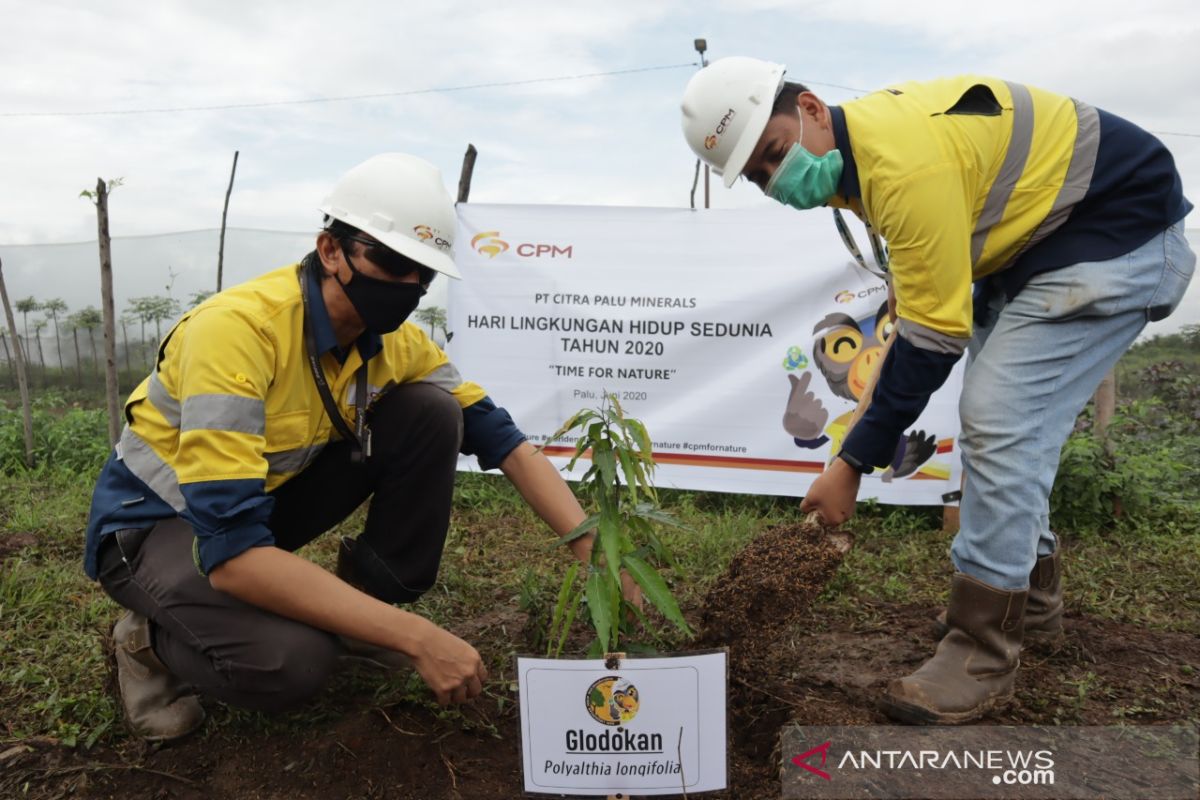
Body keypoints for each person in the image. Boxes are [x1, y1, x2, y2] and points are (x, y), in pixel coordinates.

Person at [681, 58, 1194, 724]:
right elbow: (917, 317)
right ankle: (1029, 609)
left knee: (999, 418)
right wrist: (851, 449)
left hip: (1116, 234)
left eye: (773, 154)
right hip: (1045, 245)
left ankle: (981, 650)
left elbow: (930, 341)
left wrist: (850, 465)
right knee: (1010, 424)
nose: (774, 179)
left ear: (809, 108)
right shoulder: (862, 159)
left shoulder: (900, 167)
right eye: (755, 176)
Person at [84, 153, 625, 741]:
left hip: (253, 510)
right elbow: (234, 554)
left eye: (426, 273)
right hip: (155, 525)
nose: (409, 286)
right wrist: (419, 638)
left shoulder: (396, 344)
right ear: (331, 250)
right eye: (392, 262)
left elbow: (507, 445)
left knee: (432, 411)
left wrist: (597, 555)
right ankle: (148, 643)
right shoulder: (238, 333)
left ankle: (361, 616)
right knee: (292, 663)